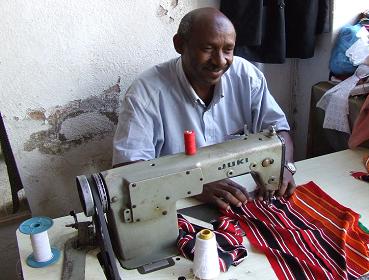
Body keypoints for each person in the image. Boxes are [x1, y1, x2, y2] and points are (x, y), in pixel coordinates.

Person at [112, 7, 296, 210]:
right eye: (208, 49)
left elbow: (278, 131)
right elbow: (128, 170)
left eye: (228, 49)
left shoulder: (247, 77)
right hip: (175, 201)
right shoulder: (145, 94)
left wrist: (283, 166)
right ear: (180, 45)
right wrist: (193, 184)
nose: (220, 61)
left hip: (239, 194)